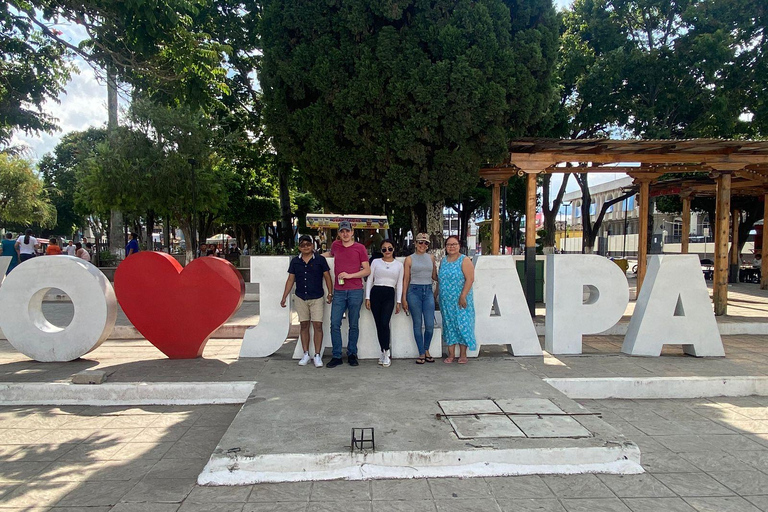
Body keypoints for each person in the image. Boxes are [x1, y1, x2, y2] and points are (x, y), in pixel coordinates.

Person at [280, 235, 333, 368]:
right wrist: (284, 296)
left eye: (308, 244)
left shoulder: (320, 260)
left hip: (317, 297)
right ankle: (305, 353)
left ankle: (317, 355)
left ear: (312, 246)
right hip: (300, 297)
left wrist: (330, 293)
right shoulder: (295, 262)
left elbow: (327, 277)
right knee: (303, 325)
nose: (305, 247)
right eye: (302, 245)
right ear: (299, 247)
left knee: (317, 326)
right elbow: (291, 279)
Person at [323, 220, 370, 368]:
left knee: (353, 324)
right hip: (339, 291)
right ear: (339, 233)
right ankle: (337, 355)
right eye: (342, 231)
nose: (345, 234)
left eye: (347, 231)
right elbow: (329, 254)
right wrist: (314, 255)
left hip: (355, 290)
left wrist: (350, 275)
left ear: (352, 232)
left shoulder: (360, 248)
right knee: (334, 323)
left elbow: (367, 270)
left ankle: (351, 353)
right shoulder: (336, 246)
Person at [437, 235, 476, 364]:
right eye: (449, 244)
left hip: (461, 300)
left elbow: (470, 279)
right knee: (449, 325)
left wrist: (463, 296)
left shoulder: (464, 260)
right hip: (446, 301)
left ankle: (463, 354)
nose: (451, 247)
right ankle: (451, 354)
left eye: (454, 244)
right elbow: (440, 280)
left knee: (462, 325)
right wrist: (435, 294)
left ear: (459, 246)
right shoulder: (443, 261)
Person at [365, 239, 403, 367]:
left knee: (384, 322)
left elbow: (400, 283)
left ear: (393, 249)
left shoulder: (399, 265)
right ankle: (383, 350)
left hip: (389, 293)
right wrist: (367, 297)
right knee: (378, 324)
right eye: (384, 249)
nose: (387, 251)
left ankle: (387, 351)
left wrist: (398, 301)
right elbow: (370, 279)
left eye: (390, 248)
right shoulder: (376, 262)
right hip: (376, 292)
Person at [402, 233, 438, 364]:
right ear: (415, 243)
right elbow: (406, 279)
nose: (423, 245)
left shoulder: (431, 258)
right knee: (417, 324)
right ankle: (421, 352)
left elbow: (434, 276)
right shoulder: (409, 259)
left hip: (428, 290)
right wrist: (403, 298)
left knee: (429, 324)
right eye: (420, 242)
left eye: (426, 243)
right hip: (414, 291)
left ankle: (426, 348)